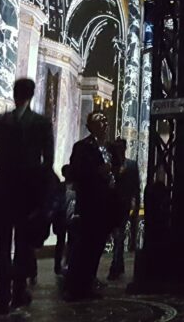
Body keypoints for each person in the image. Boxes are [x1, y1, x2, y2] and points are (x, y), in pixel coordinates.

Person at [0, 78, 54, 318]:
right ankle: (8, 297)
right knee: (10, 247)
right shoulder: (38, 123)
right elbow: (47, 162)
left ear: (17, 94)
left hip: (17, 193)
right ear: (31, 95)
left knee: (14, 247)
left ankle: (11, 295)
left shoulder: (4, 121)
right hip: (14, 193)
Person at [65, 111, 114, 300]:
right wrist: (97, 171)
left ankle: (88, 282)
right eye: (99, 121)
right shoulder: (82, 147)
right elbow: (76, 172)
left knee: (97, 245)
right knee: (84, 246)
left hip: (104, 203)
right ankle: (75, 286)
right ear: (90, 126)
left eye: (105, 121)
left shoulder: (107, 148)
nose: (104, 124)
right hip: (89, 203)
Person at [108, 138, 140, 282]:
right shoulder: (110, 165)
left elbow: (136, 186)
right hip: (111, 204)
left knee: (119, 235)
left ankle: (115, 266)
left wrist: (136, 204)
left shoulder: (131, 165)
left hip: (124, 204)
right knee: (117, 236)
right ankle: (118, 264)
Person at [52, 164, 73, 276]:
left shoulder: (73, 187)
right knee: (62, 242)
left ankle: (66, 264)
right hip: (62, 218)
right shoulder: (61, 187)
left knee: (68, 242)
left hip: (68, 217)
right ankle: (60, 265)